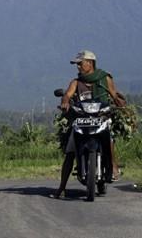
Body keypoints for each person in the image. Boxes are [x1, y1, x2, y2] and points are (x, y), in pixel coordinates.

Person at [51, 50, 125, 199]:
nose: (78, 67)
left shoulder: (105, 78)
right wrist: (65, 102)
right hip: (81, 119)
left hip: (101, 117)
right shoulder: (76, 82)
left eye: (80, 64)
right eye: (76, 64)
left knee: (109, 139)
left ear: (89, 63)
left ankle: (113, 166)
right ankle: (61, 187)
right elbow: (67, 94)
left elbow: (114, 94)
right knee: (70, 151)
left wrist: (119, 103)